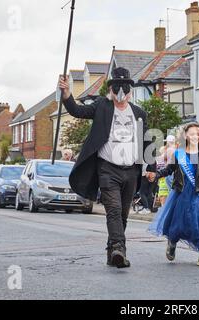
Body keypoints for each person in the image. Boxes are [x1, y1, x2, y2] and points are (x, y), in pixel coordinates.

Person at [58, 67, 156, 269]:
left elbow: (146, 140)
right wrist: (67, 94)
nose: (121, 93)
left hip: (130, 170)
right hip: (107, 169)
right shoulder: (102, 106)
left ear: (130, 91)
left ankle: (113, 251)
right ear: (111, 89)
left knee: (122, 215)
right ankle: (120, 248)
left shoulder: (139, 113)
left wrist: (152, 165)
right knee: (113, 210)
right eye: (117, 88)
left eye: (125, 88)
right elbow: (77, 111)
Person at [148, 122, 199, 267]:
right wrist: (156, 175)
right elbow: (169, 170)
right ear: (185, 135)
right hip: (181, 193)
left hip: (198, 194)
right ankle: (172, 242)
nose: (195, 136)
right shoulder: (179, 154)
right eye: (192, 134)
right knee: (178, 223)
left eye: (198, 134)